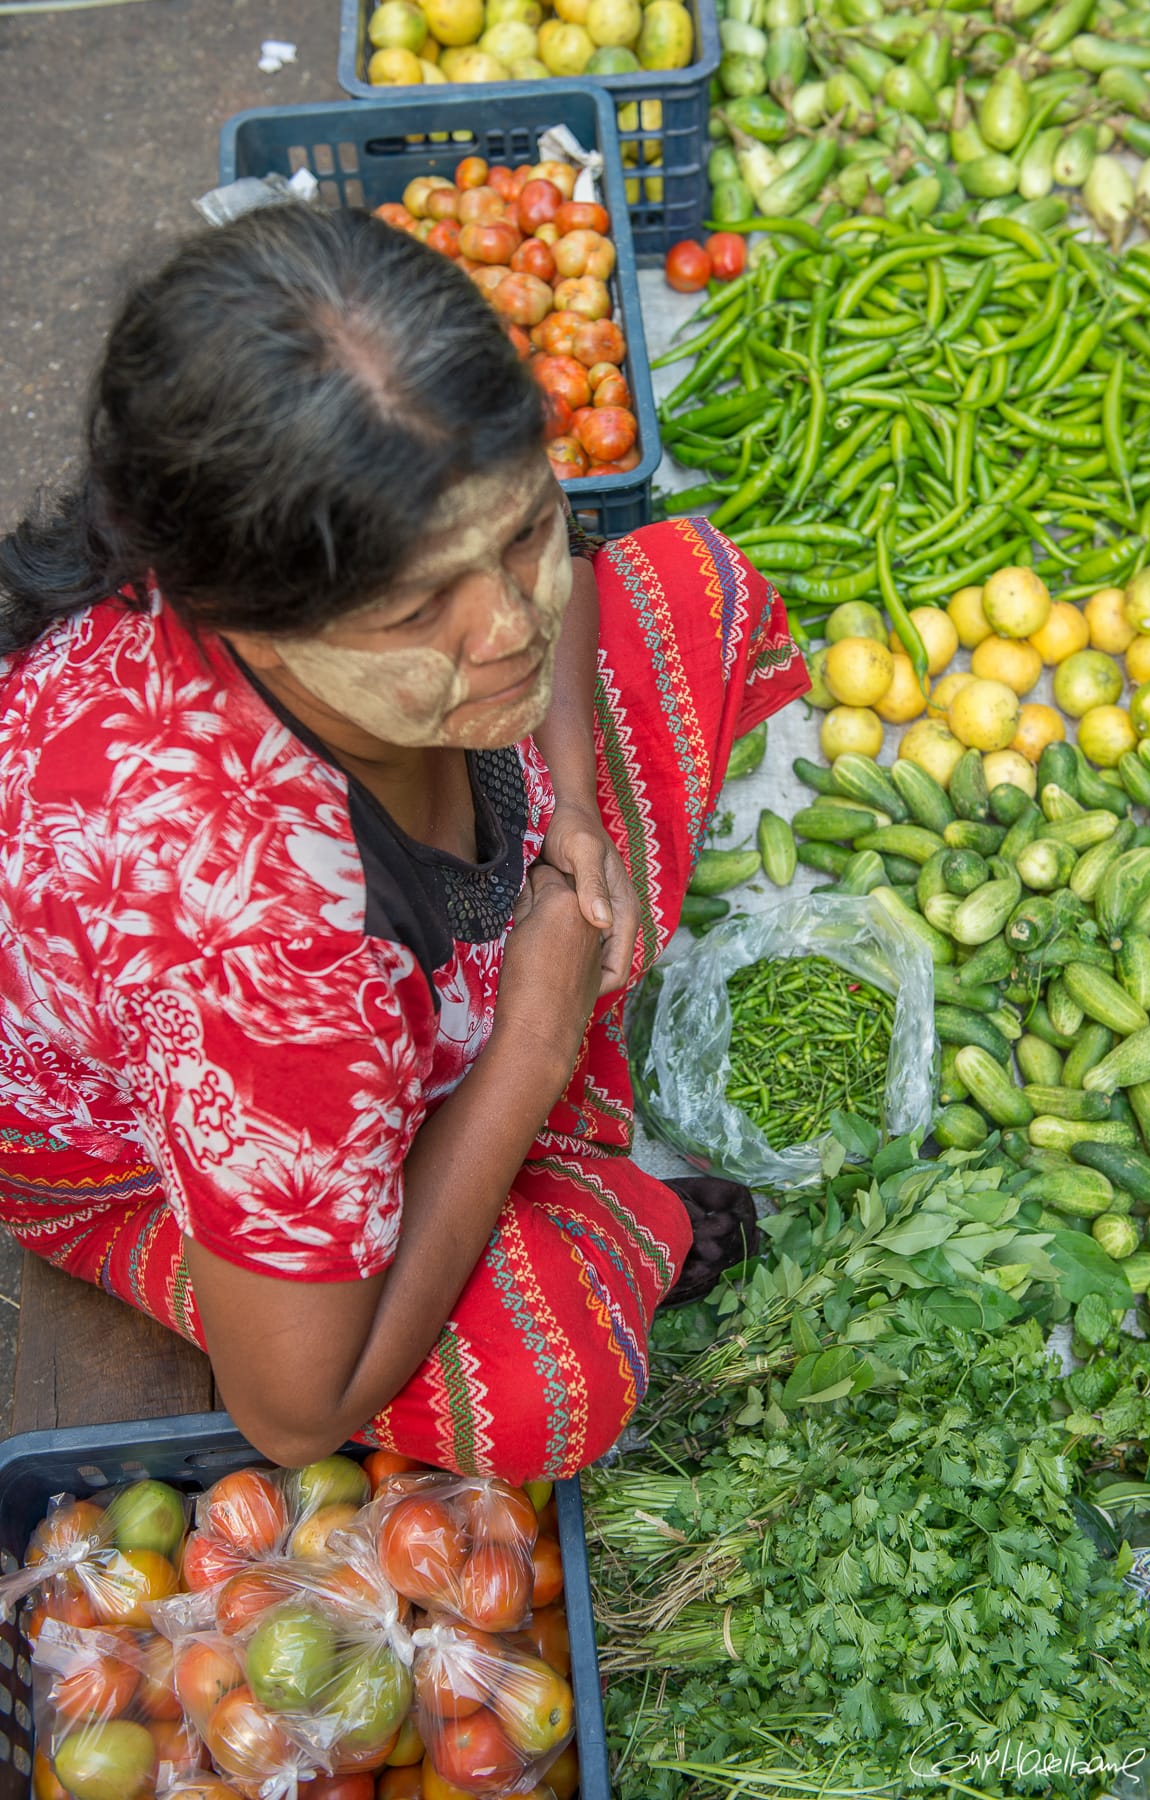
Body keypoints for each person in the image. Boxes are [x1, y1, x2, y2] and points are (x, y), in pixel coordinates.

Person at [0, 204, 809, 1482]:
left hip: (397, 980)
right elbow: (294, 1414)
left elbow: (557, 586)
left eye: (522, 530)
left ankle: (503, 1086)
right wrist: (534, 1046)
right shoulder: (256, 946)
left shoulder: (368, 575)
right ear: (247, 621)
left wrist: (579, 818)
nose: (510, 627)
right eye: (418, 606)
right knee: (543, 1380)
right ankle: (529, 1129)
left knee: (691, 591)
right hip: (162, 1148)